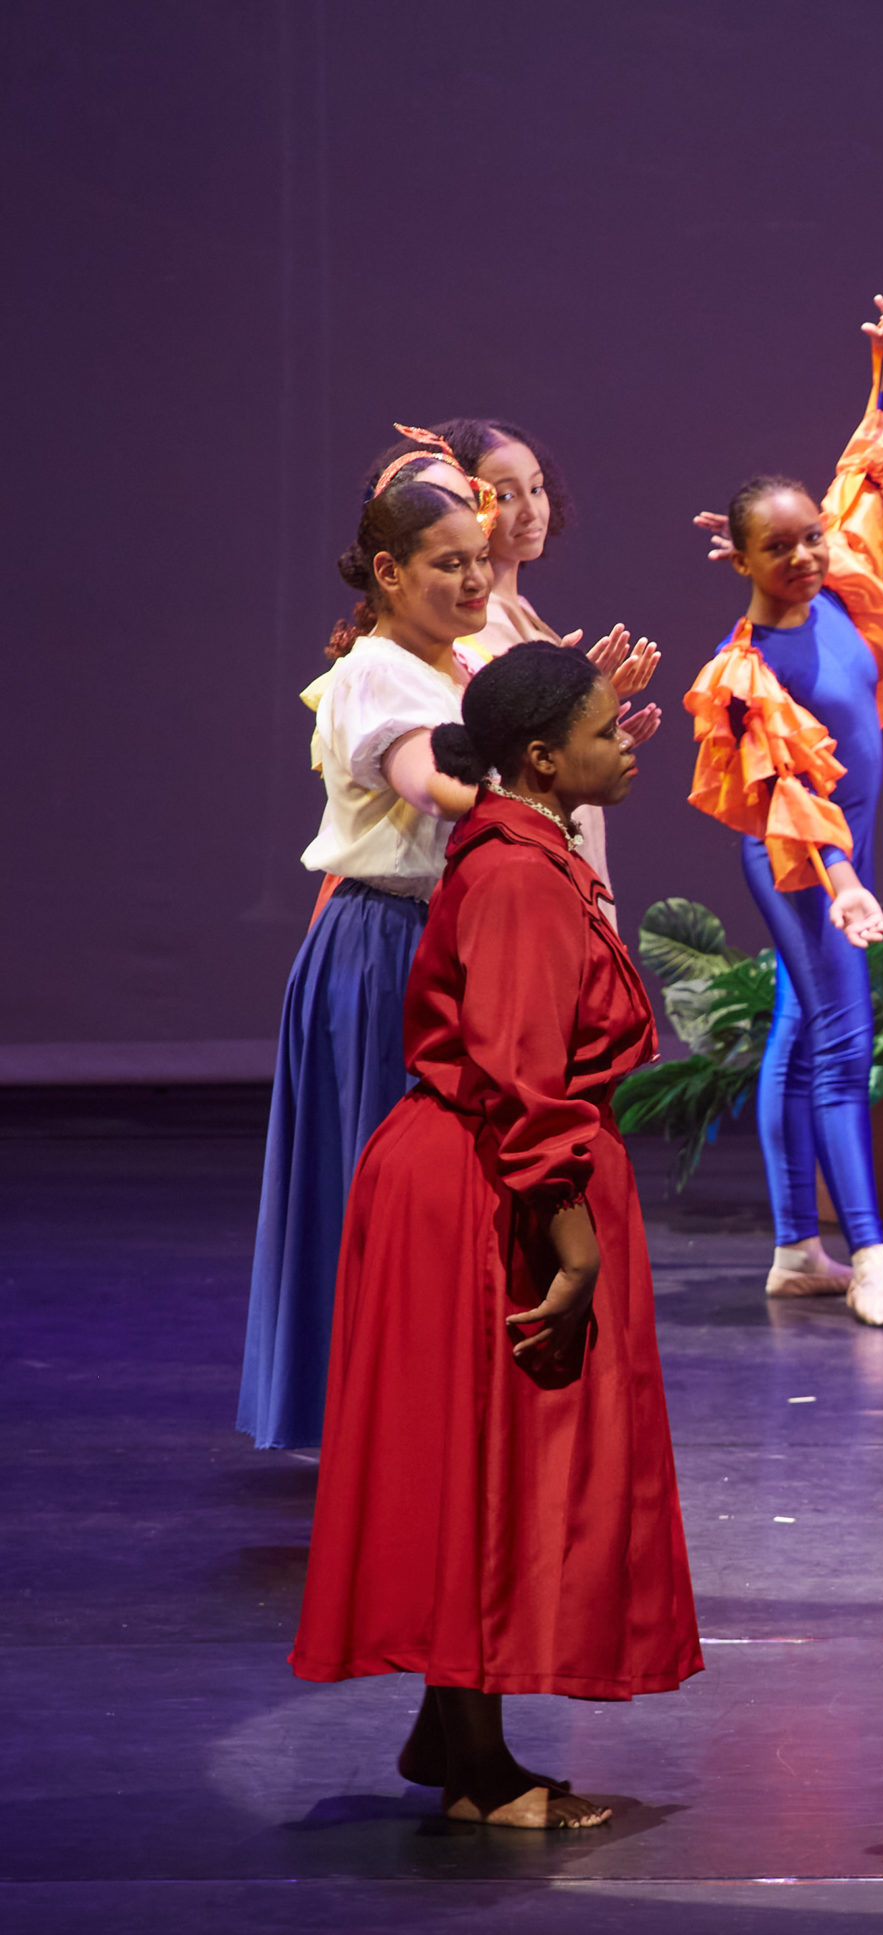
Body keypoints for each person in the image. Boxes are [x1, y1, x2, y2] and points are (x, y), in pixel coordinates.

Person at [290, 644, 702, 1825]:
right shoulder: (520, 874)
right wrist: (573, 1239)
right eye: (605, 730)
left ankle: (454, 1727)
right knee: (496, 1458)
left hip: (477, 1173)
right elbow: (523, 1075)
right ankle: (481, 1771)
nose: (626, 745)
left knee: (485, 1451)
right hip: (490, 1186)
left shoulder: (528, 848)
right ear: (542, 758)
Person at [685, 296, 883, 1318]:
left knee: (802, 1030)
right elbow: (789, 795)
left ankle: (797, 1248)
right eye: (779, 549)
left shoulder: (841, 588)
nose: (805, 557)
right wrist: (840, 883)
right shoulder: (744, 671)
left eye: (812, 539)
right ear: (737, 558)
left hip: (844, 868)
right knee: (841, 1039)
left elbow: (872, 463)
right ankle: (868, 1254)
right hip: (799, 862)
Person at [240, 481, 491, 1451]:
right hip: (389, 947)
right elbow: (429, 784)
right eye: (449, 563)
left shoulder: (460, 665)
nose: (475, 580)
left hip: (448, 945)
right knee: (392, 1192)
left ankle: (431, 1417)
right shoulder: (376, 674)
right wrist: (546, 769)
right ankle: (384, 1427)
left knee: (451, 1195)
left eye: (479, 560)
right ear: (388, 572)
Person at [435, 415, 665, 904]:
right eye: (506, 495)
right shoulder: (465, 627)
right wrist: (566, 708)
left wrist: (598, 725)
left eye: (536, 489)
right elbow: (490, 754)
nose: (530, 510)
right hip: (522, 862)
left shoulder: (525, 613)